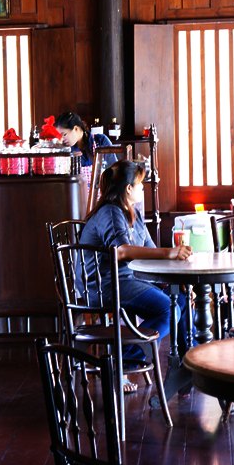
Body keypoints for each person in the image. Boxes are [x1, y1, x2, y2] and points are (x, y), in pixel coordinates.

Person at [79, 159, 193, 393]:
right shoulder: (110, 212)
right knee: (169, 308)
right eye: (140, 184)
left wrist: (176, 279)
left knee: (180, 299)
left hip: (129, 281)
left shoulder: (134, 214)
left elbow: (151, 251)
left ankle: (186, 367)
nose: (143, 188)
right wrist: (169, 252)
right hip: (106, 285)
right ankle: (121, 361)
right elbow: (121, 251)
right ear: (128, 188)